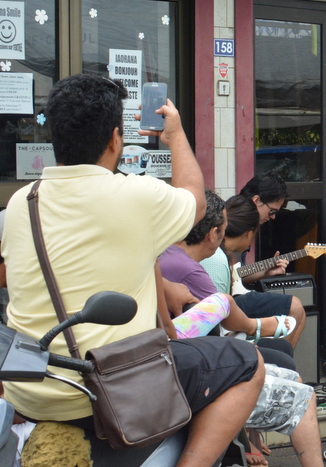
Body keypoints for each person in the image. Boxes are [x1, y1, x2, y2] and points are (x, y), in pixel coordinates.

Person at [0, 74, 265, 465]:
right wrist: (174, 134)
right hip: (102, 392)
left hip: (32, 390)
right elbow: (195, 198)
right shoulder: (137, 195)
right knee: (247, 364)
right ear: (114, 139)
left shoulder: (21, 204)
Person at [199, 194, 308, 348]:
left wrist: (265, 273)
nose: (272, 217)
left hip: (225, 315)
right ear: (249, 233)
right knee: (295, 306)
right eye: (271, 211)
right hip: (220, 326)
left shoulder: (220, 252)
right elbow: (217, 315)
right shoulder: (218, 258)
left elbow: (237, 275)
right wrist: (255, 327)